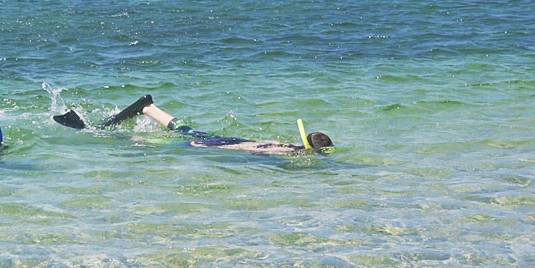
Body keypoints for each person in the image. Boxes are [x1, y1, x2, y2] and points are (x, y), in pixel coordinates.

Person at [53, 95, 333, 156]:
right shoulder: (287, 153)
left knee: (183, 128)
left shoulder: (284, 144)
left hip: (218, 138)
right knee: (142, 142)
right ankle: (92, 133)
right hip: (207, 145)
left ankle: (148, 108)